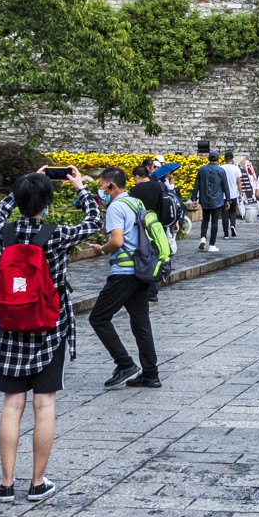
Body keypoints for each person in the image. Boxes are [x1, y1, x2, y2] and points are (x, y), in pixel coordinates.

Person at [0, 167, 101, 504]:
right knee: (44, 403)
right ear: (47, 202)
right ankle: (37, 483)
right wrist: (80, 188)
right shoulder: (56, 234)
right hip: (50, 327)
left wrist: (23, 184)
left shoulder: (4, 232)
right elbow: (94, 222)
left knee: (12, 405)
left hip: (10, 327)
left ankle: (6, 484)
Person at [90, 166, 170, 389]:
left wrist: (102, 249)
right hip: (141, 269)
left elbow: (117, 240)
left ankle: (125, 364)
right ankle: (151, 374)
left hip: (124, 272)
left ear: (111, 186)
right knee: (141, 323)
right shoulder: (136, 202)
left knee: (98, 318)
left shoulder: (116, 207)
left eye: (101, 187)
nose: (101, 191)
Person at [194, 152, 230, 253]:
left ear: (208, 159)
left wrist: (194, 198)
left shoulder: (202, 169)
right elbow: (225, 186)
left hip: (204, 198)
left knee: (205, 219)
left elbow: (196, 185)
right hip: (217, 199)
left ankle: (203, 237)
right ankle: (212, 244)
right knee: (214, 222)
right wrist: (228, 199)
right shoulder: (221, 170)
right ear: (218, 159)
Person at [220, 151, 242, 239]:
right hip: (233, 193)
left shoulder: (221, 168)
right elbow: (238, 182)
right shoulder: (236, 168)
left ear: (224, 159)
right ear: (232, 159)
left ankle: (226, 234)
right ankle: (232, 225)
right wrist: (240, 193)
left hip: (223, 195)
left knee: (224, 214)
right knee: (233, 212)